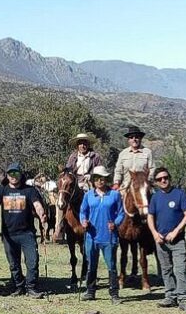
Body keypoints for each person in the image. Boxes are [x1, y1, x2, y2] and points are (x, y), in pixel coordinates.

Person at [0, 162, 47, 299]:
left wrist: (41, 214)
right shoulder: (2, 190)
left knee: (32, 261)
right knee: (14, 264)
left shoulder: (29, 190)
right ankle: (18, 286)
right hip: (9, 235)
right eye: (11, 173)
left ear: (20, 175)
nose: (13, 176)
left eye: (16, 173)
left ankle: (31, 288)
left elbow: (37, 204)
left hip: (27, 234)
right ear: (7, 175)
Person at [147, 168, 186, 313]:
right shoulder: (155, 198)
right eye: (160, 179)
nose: (163, 180)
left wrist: (176, 231)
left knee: (180, 269)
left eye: (166, 177)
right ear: (156, 182)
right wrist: (154, 233)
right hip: (160, 240)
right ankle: (170, 296)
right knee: (166, 270)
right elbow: (150, 217)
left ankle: (184, 299)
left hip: (177, 240)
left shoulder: (179, 194)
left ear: (170, 178)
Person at [79, 166, 125, 304]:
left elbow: (121, 213)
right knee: (91, 264)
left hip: (109, 236)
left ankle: (114, 294)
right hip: (91, 236)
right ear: (93, 180)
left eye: (102, 178)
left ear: (106, 179)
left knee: (111, 265)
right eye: (97, 178)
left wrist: (115, 223)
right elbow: (83, 212)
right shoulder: (88, 195)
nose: (100, 181)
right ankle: (90, 291)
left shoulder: (115, 195)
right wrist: (83, 221)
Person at [54, 133, 103, 242]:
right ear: (77, 145)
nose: (82, 145)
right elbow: (68, 171)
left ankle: (98, 225)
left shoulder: (95, 156)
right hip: (74, 182)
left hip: (89, 182)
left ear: (88, 144)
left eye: (84, 143)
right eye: (80, 143)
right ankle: (59, 227)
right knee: (61, 201)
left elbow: (100, 171)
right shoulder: (73, 156)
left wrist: (92, 176)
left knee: (96, 200)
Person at [112, 125, 155, 189]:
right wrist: (116, 183)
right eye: (131, 137)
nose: (134, 139)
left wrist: (148, 180)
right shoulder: (123, 154)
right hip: (126, 186)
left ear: (140, 138)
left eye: (137, 137)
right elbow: (118, 170)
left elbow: (152, 168)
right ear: (128, 140)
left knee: (154, 196)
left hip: (143, 186)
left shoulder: (147, 152)